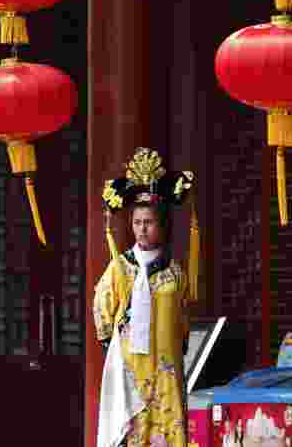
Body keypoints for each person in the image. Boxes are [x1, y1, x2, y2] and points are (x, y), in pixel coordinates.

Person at [94, 147, 196, 447]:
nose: (142, 229)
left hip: (165, 364)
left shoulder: (174, 271)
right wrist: (115, 343)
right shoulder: (120, 266)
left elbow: (183, 318)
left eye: (148, 222)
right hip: (130, 366)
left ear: (161, 225)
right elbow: (102, 308)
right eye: (137, 222)